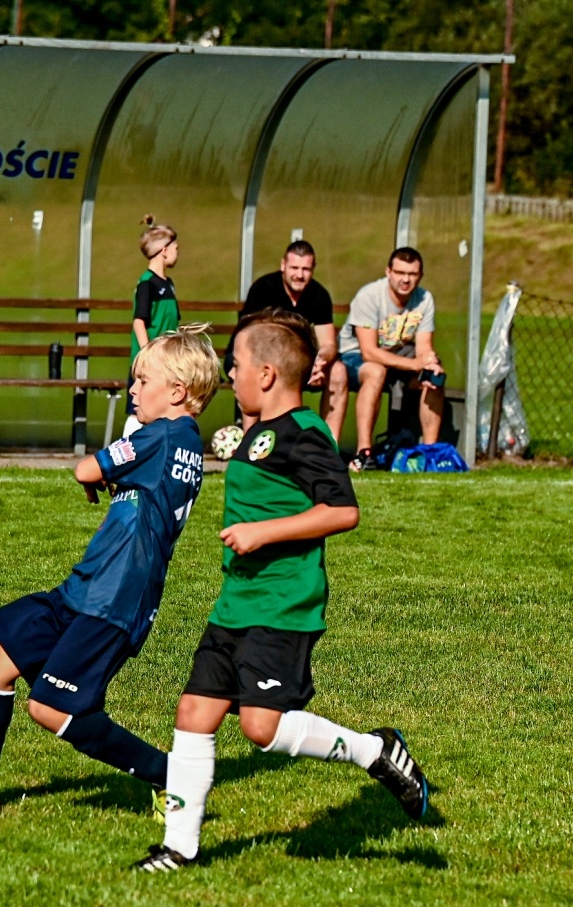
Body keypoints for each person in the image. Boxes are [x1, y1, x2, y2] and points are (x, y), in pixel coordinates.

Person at [134, 309, 429, 873]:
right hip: (236, 599)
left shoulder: (306, 434)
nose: (230, 374)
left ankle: (376, 750)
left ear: (267, 374)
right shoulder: (261, 433)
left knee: (261, 728)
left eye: (236, 365)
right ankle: (179, 847)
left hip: (283, 603)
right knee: (194, 712)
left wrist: (262, 532)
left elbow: (343, 510)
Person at [0, 326, 220, 816]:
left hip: (113, 601)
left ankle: (171, 776)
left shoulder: (159, 435)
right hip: (89, 588)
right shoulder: (182, 440)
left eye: (143, 381)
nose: (133, 390)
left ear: (178, 392)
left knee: (51, 707)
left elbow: (85, 469)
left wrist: (103, 469)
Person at [229, 240, 346, 441]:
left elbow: (328, 344)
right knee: (256, 368)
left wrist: (319, 362)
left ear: (313, 269)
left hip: (297, 363)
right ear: (283, 265)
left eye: (305, 269)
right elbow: (251, 341)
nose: (299, 275)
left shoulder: (319, 295)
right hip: (257, 356)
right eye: (294, 268)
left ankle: (329, 443)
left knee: (338, 371)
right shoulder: (263, 289)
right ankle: (249, 443)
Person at [338, 247, 444, 470]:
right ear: (388, 272)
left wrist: (428, 363)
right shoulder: (369, 296)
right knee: (376, 371)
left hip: (397, 356)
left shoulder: (425, 299)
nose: (405, 280)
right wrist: (415, 364)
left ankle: (430, 453)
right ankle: (364, 453)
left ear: (420, 276)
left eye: (412, 274)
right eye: (400, 273)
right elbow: (368, 351)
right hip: (354, 357)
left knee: (433, 375)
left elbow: (424, 346)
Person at [123, 216, 180, 437]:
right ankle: (123, 453)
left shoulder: (168, 284)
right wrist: (147, 354)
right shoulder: (148, 283)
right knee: (137, 410)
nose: (178, 251)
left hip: (166, 359)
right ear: (164, 250)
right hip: (150, 361)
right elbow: (139, 321)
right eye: (176, 247)